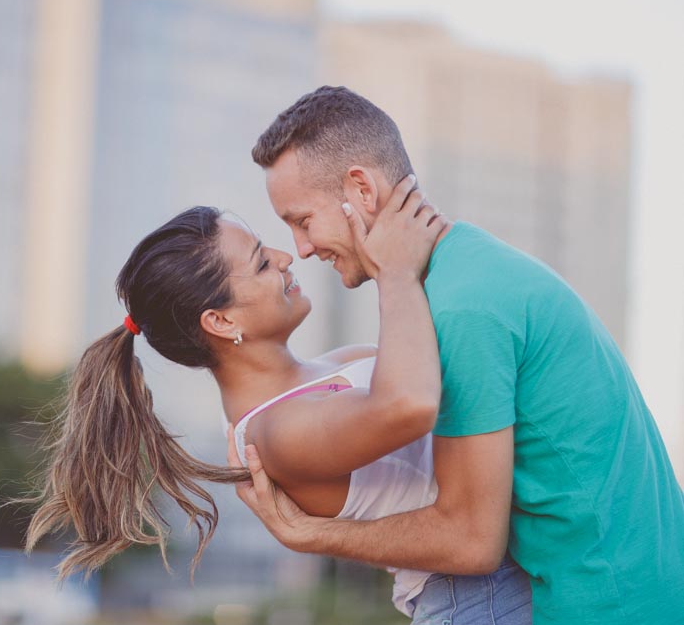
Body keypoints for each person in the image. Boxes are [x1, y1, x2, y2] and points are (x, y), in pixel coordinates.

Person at [229, 85, 684, 624]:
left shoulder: (461, 309)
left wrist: (312, 533)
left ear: (361, 189)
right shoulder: (465, 272)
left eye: (302, 221)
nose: (301, 249)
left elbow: (470, 541)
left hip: (606, 607)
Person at [23, 182, 532, 622]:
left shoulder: (339, 363)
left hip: (509, 574)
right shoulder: (272, 435)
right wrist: (396, 272)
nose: (288, 259)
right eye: (263, 263)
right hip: (476, 601)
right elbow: (408, 407)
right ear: (221, 322)